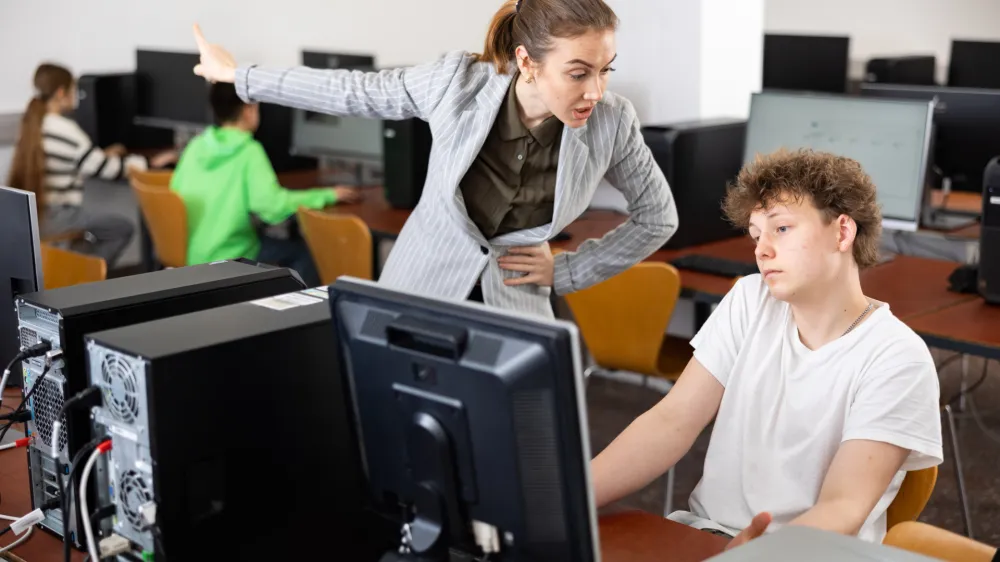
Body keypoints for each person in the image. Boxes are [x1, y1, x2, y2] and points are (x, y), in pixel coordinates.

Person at [190, 0, 678, 318]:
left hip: (513, 310)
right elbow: (352, 90)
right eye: (578, 73)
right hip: (419, 291)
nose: (595, 90)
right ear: (528, 61)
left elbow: (659, 217)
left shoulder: (612, 120)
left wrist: (569, 271)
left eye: (605, 71)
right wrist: (239, 77)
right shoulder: (458, 83)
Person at [590, 149, 943, 548]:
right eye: (757, 234)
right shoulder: (749, 299)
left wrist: (763, 555)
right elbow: (672, 422)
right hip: (709, 535)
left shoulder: (897, 357)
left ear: (843, 232)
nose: (761, 249)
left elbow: (843, 506)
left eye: (782, 229)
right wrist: (568, 498)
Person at [170, 82, 359, 287]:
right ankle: (300, 316)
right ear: (248, 110)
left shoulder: (197, 145)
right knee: (305, 253)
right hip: (231, 255)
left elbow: (175, 192)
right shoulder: (249, 150)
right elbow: (273, 207)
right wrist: (328, 194)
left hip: (192, 254)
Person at [7, 63, 177, 266]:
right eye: (73, 90)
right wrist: (149, 162)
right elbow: (107, 169)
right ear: (62, 93)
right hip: (58, 216)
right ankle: (84, 273)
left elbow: (81, 159)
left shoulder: (32, 125)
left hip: (36, 215)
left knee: (96, 235)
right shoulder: (65, 129)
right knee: (121, 228)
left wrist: (101, 155)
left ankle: (75, 267)